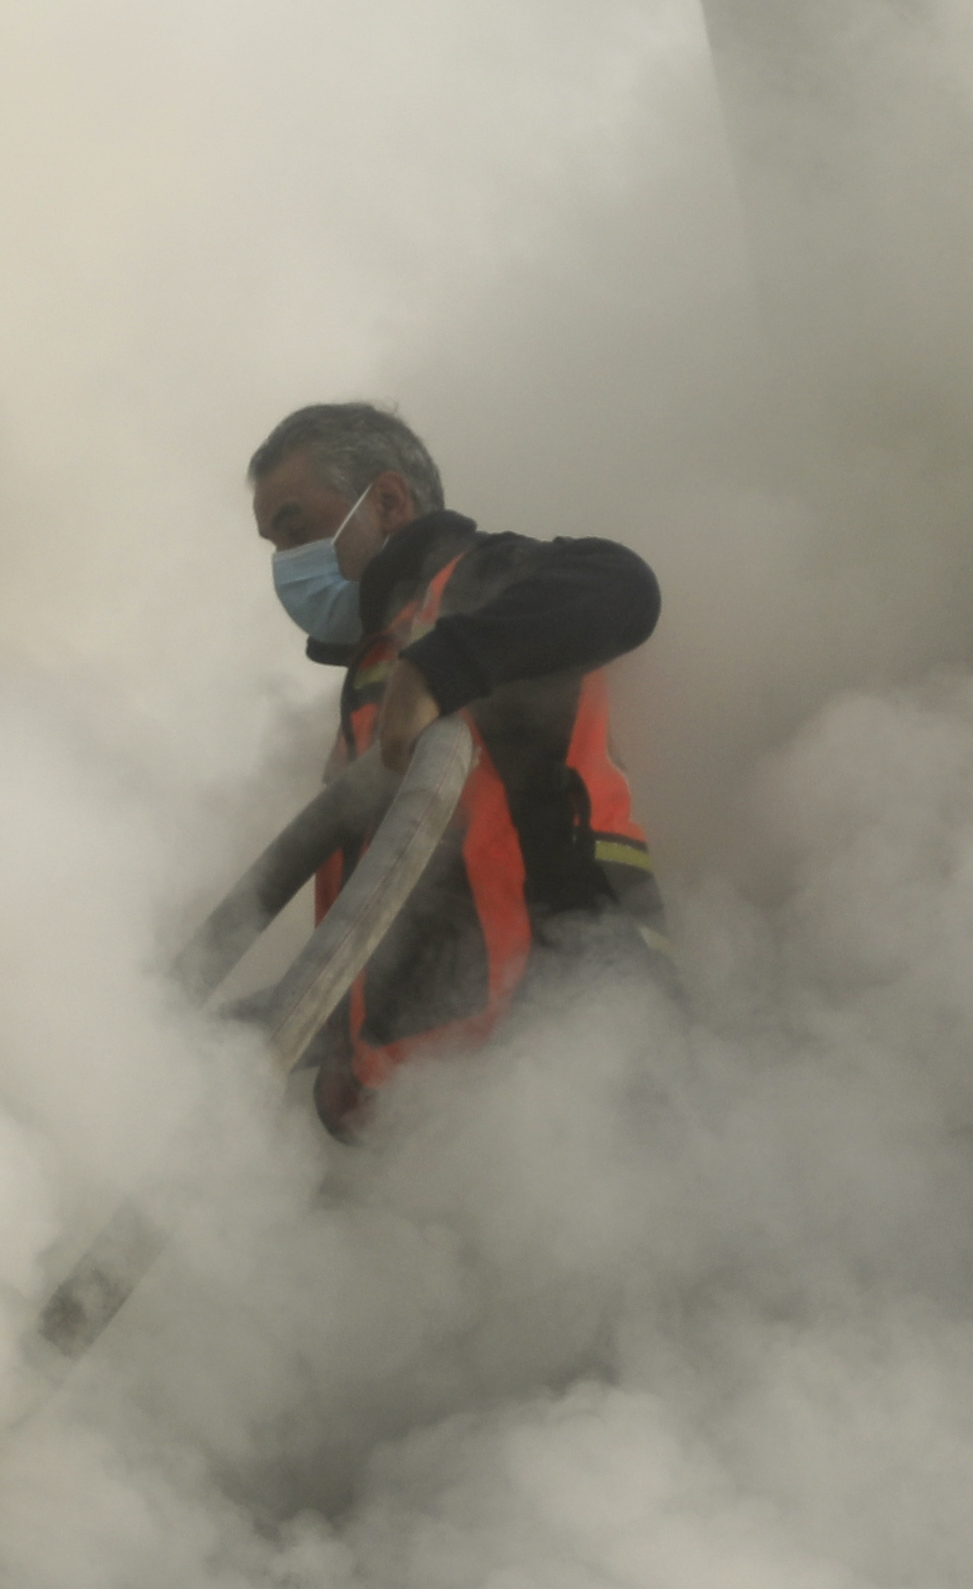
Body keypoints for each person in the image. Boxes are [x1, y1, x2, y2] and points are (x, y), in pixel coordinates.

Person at [248, 399, 666, 1128]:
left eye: (296, 527)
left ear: (386, 501)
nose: (287, 566)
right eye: (274, 546)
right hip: (458, 1105)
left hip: (582, 1053)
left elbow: (622, 585)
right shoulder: (378, 661)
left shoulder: (484, 582)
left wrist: (444, 667)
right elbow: (387, 910)